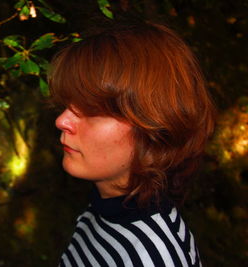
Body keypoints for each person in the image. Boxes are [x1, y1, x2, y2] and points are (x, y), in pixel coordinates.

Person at [48, 19, 215, 267]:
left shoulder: (155, 258)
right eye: (68, 104)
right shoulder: (105, 208)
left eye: (92, 110)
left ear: (155, 126)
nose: (62, 121)